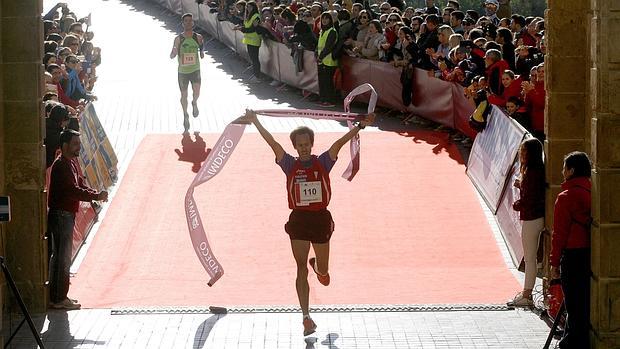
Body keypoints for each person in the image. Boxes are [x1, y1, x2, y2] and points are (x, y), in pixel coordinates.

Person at [238, 109, 375, 336]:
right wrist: (256, 121)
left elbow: (339, 143)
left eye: (306, 144)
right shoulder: (290, 165)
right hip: (299, 220)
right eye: (299, 145)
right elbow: (272, 143)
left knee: (324, 274)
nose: (303, 148)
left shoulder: (323, 161)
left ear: (312, 144)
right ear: (295, 147)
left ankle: (320, 269)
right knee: (300, 268)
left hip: (320, 219)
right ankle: (306, 317)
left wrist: (360, 126)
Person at [48, 129, 108, 310]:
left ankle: (59, 296)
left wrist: (94, 195)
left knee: (60, 257)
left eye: (79, 145)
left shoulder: (71, 163)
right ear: (65, 145)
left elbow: (79, 184)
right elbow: (72, 190)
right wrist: (95, 196)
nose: (78, 148)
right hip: (61, 215)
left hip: (66, 214)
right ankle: (58, 298)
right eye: (75, 145)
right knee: (62, 258)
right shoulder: (62, 165)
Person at [550, 151, 592, 349]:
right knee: (582, 300)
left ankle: (573, 341)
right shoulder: (593, 192)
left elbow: (559, 234)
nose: (562, 171)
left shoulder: (565, 197)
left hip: (573, 254)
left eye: (564, 167)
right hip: (590, 253)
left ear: (571, 170)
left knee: (573, 302)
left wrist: (554, 262)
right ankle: (571, 337)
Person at [510, 138, 545, 307]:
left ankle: (527, 294)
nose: (521, 155)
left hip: (532, 218)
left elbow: (529, 199)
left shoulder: (531, 173)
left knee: (530, 258)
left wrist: (516, 204)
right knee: (531, 258)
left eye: (524, 152)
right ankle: (527, 293)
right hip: (537, 216)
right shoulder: (538, 170)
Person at [170, 13, 205, 131]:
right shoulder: (178, 38)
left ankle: (194, 103)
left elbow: (202, 45)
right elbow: (173, 51)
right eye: (186, 21)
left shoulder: (198, 37)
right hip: (183, 72)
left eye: (190, 21)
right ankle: (185, 114)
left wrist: (201, 52)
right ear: (182, 23)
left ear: (193, 23)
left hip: (195, 70)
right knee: (183, 95)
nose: (188, 23)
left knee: (197, 92)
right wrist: (173, 52)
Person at [316, 12, 339, 107]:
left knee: (328, 81)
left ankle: (330, 101)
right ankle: (323, 99)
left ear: (330, 20)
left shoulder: (332, 31)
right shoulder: (322, 31)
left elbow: (328, 46)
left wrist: (320, 57)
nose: (324, 20)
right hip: (321, 60)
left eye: (327, 18)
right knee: (322, 81)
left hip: (329, 61)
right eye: (323, 18)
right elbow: (319, 45)